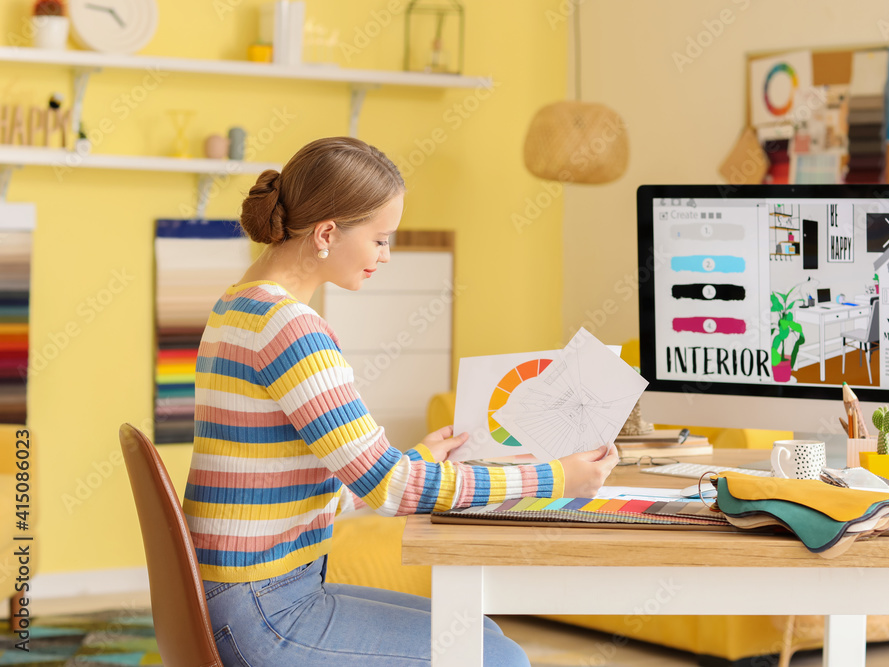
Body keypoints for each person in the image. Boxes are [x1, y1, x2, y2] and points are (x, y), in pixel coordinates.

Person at [182, 136, 618, 666]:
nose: (386, 255)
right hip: (265, 613)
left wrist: (417, 461)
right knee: (496, 659)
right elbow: (391, 490)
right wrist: (558, 478)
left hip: (249, 596)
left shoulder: (238, 306)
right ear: (326, 233)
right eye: (381, 239)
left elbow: (305, 487)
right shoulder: (292, 329)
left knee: (485, 639)